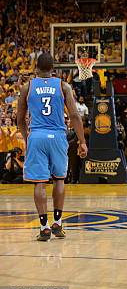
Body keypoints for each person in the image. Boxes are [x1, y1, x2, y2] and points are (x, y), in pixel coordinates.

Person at [16, 53, 87, 241]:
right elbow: (74, 116)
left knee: (40, 183)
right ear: (53, 68)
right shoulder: (63, 86)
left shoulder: (27, 87)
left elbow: (20, 119)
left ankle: (43, 226)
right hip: (57, 136)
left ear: (36, 67)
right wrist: (82, 141)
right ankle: (58, 222)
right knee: (59, 179)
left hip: (37, 136)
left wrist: (27, 138)